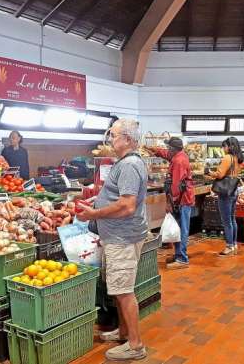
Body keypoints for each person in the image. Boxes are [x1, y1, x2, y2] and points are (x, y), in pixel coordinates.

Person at [77, 118, 147, 361]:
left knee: (124, 290)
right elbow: (118, 197)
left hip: (122, 237)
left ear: (127, 139)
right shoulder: (125, 163)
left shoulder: (128, 166)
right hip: (118, 235)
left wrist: (94, 213)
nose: (110, 139)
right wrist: (96, 201)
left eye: (114, 135)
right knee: (118, 288)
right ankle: (125, 332)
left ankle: (135, 345)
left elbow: (127, 206)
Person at [145, 137, 194, 269]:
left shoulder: (178, 161)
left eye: (168, 148)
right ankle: (178, 254)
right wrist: (154, 150)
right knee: (178, 227)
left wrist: (171, 203)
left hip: (181, 199)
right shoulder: (178, 155)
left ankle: (182, 259)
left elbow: (176, 185)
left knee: (182, 229)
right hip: (181, 199)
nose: (167, 150)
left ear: (173, 149)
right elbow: (166, 154)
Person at [207, 137, 244, 256]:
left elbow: (220, 174)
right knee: (232, 219)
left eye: (224, 146)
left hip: (225, 192)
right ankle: (233, 244)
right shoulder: (237, 158)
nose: (223, 149)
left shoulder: (227, 158)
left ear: (229, 146)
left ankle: (229, 246)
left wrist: (209, 173)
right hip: (233, 191)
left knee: (226, 221)